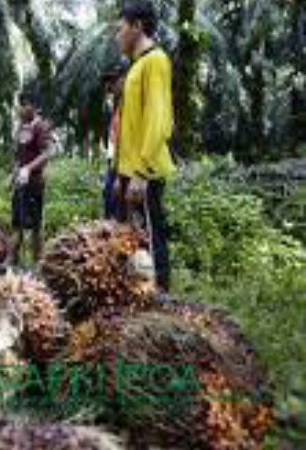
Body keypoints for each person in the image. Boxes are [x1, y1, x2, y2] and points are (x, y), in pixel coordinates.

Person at [115, 0, 176, 292]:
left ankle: (162, 299)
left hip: (146, 171)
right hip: (131, 170)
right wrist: (121, 173)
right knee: (136, 242)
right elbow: (130, 127)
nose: (117, 36)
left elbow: (158, 119)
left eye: (121, 28)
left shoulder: (156, 61)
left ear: (137, 26)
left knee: (151, 239)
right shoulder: (137, 65)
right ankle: (142, 298)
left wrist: (141, 172)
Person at [0, 92, 56, 274]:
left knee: (35, 225)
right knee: (17, 223)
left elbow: (48, 152)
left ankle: (38, 265)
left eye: (25, 105)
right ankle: (10, 262)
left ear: (34, 107)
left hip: (35, 183)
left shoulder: (41, 127)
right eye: (20, 105)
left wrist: (29, 168)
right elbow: (18, 157)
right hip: (21, 183)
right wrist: (12, 177)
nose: (21, 109)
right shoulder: (21, 128)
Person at [101, 62, 127, 220]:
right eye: (108, 83)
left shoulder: (129, 105)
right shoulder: (117, 105)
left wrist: (118, 173)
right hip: (113, 160)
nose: (109, 86)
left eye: (113, 81)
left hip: (122, 163)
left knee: (116, 203)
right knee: (108, 199)